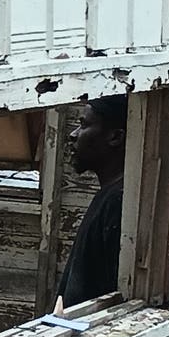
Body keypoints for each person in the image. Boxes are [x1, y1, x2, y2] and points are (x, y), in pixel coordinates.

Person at [58, 94, 126, 307]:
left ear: (115, 137)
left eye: (84, 125)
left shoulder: (119, 202)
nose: (73, 134)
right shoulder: (109, 196)